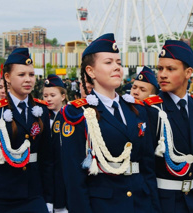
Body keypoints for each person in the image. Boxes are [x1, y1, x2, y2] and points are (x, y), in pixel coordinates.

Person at [59, 33, 160, 213]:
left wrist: (154, 206)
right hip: (104, 205)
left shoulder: (137, 109)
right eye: (108, 63)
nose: (117, 68)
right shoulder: (77, 113)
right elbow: (74, 178)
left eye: (119, 63)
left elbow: (147, 167)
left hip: (140, 203)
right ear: (90, 71)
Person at [144, 40, 193, 213]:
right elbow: (145, 169)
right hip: (164, 202)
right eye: (160, 69)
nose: (162, 75)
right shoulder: (150, 110)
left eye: (170, 69)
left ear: (188, 72)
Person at [0, 48, 53, 213]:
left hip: (34, 194)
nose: (28, 80)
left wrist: (50, 198)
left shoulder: (41, 110)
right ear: (8, 78)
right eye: (22, 75)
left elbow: (47, 159)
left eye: (31, 75)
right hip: (3, 196)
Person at [43, 74, 69, 213]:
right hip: (47, 175)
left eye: (52, 95)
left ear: (63, 96)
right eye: (45, 96)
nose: (48, 99)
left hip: (64, 176)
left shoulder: (71, 116)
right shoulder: (41, 117)